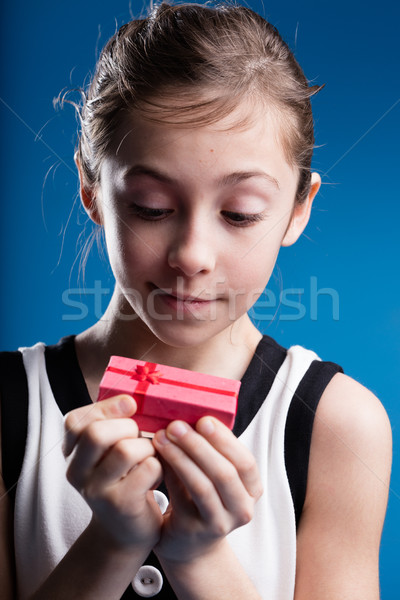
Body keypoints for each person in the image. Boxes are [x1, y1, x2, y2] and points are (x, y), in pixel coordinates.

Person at [0, 2, 392, 599]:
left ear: (297, 208)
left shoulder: (337, 427)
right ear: (92, 192)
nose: (192, 255)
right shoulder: (10, 408)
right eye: (151, 207)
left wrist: (200, 557)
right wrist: (110, 543)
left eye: (240, 214)